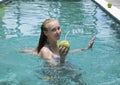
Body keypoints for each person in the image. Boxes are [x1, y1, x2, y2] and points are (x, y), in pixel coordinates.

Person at [20, 18, 96, 66]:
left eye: (58, 28)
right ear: (46, 33)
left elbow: (69, 53)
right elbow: (56, 71)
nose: (58, 32)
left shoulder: (57, 43)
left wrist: (86, 48)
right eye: (54, 30)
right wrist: (62, 59)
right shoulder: (45, 51)